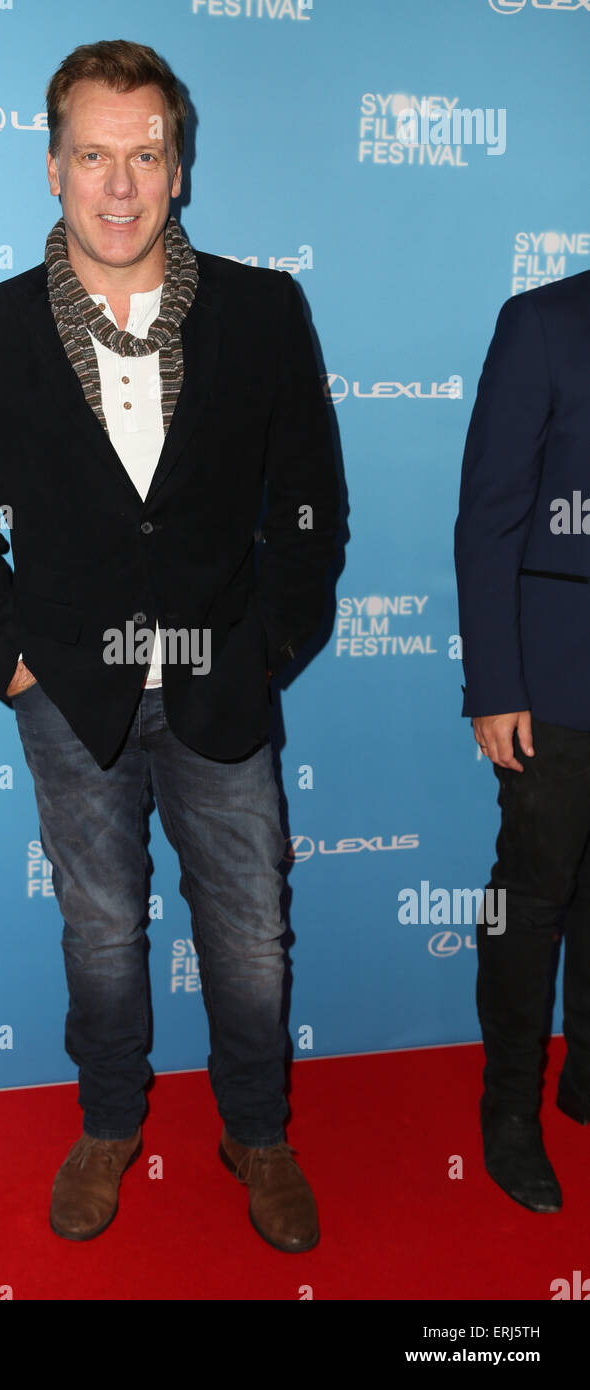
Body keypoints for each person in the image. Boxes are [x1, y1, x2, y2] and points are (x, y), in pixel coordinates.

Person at [0, 39, 339, 1251]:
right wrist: (9, 659)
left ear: (178, 169)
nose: (119, 184)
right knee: (101, 932)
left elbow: (307, 505)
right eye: (93, 155)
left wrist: (270, 645)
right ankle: (109, 1123)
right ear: (51, 168)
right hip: (69, 695)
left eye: (143, 154)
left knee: (251, 933)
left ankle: (255, 1133)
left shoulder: (262, 312)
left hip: (222, 689)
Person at [455, 268, 590, 1214]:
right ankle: (509, 1111)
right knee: (533, 900)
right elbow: (491, 515)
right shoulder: (545, 321)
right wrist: (496, 684)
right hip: (557, 679)